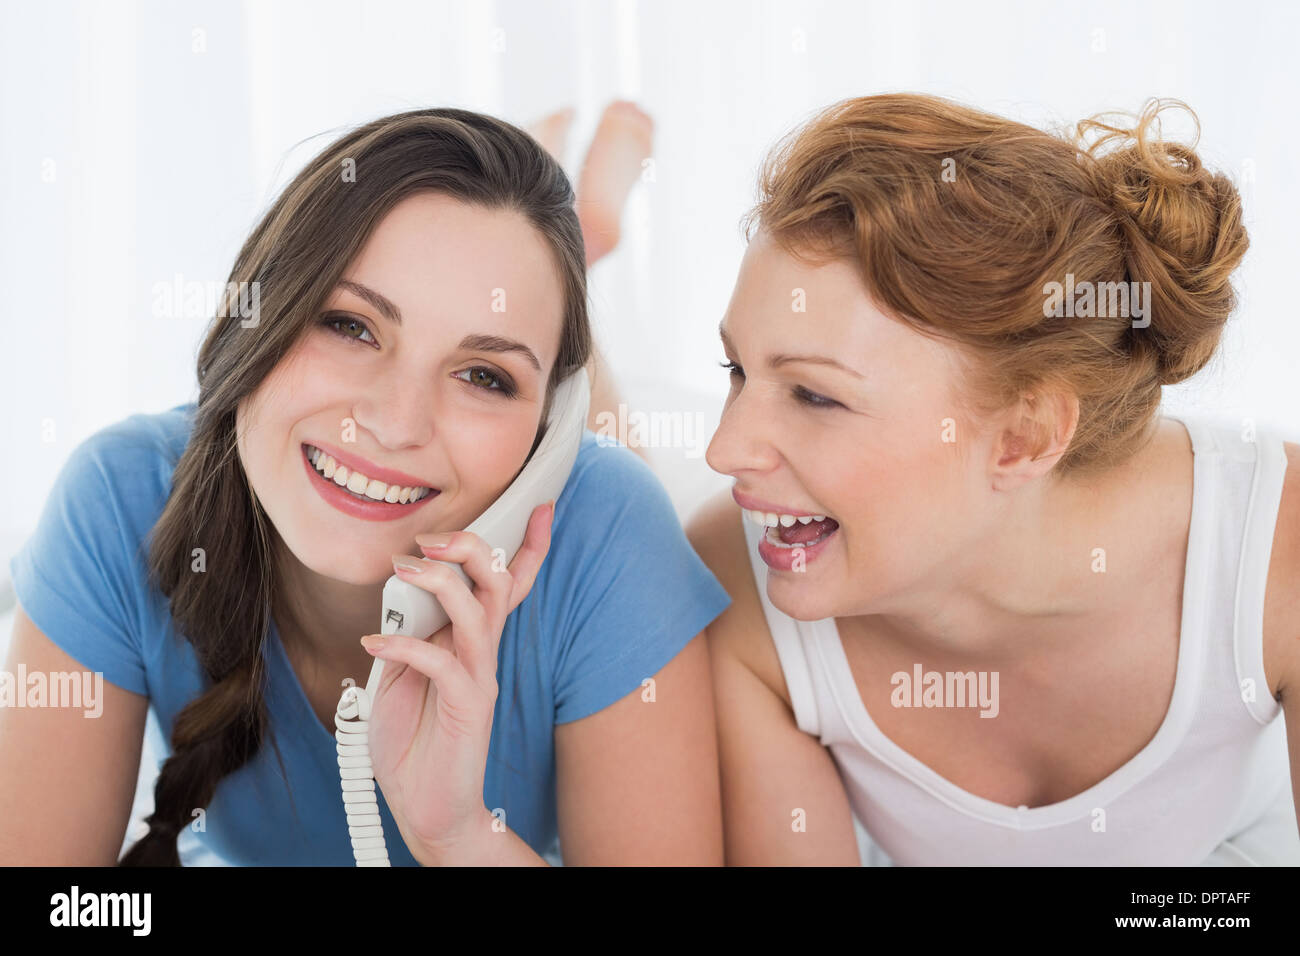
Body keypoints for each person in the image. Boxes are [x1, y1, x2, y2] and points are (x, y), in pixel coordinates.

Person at [0, 105, 728, 866]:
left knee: (625, 455)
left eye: (486, 375)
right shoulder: (116, 500)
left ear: (546, 435)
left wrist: (461, 838)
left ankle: (574, 243)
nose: (394, 422)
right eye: (351, 326)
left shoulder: (610, 534)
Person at [684, 93, 1300, 865]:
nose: (725, 449)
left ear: (1026, 436)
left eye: (814, 395)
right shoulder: (732, 581)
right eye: (736, 371)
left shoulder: (1275, 545)